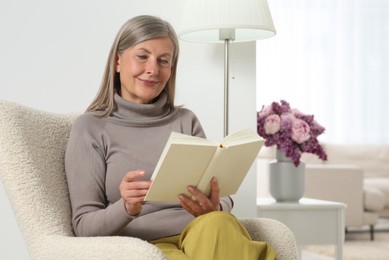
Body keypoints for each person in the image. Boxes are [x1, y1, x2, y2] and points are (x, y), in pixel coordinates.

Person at [65, 15, 275, 260]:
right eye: (142, 56)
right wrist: (125, 208)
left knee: (218, 224)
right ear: (117, 61)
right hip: (142, 244)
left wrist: (216, 206)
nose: (153, 69)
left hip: (204, 233)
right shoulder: (90, 128)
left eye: (164, 61)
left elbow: (222, 194)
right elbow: (83, 226)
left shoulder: (185, 120)